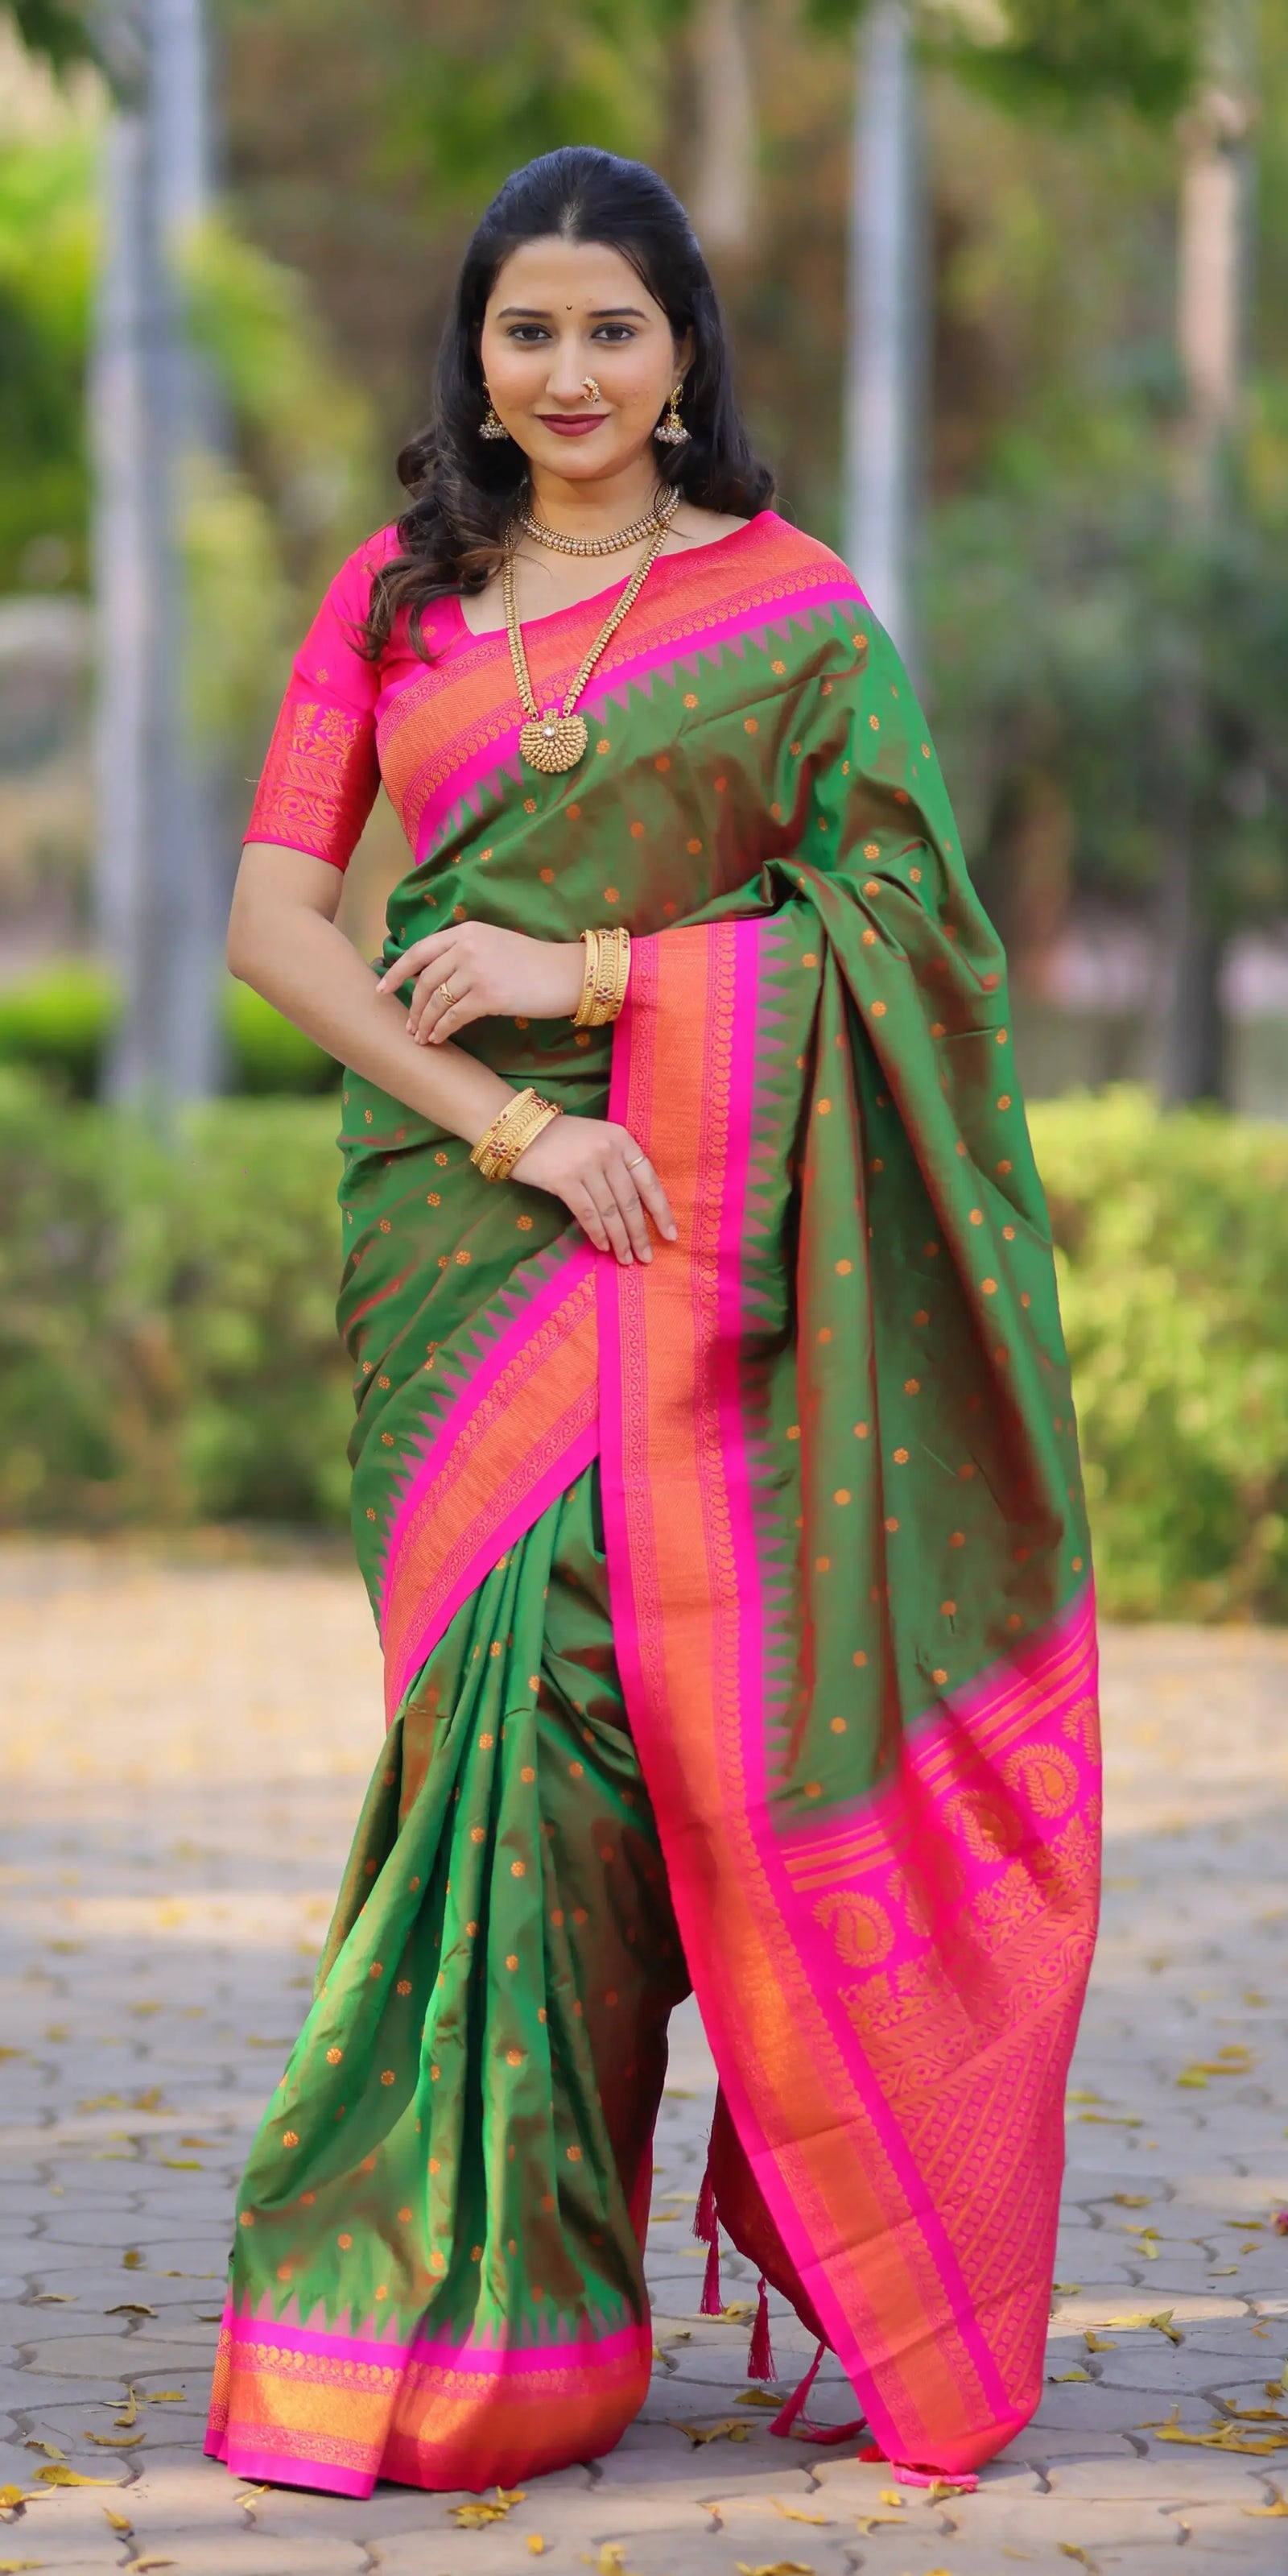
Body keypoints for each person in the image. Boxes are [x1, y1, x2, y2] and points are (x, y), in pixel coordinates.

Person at [205, 144, 1100, 2502]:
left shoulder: (794, 616)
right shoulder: (394, 605)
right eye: (528, 331)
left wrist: (597, 982)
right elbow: (280, 927)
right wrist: (514, 1125)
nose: (573, 373)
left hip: (715, 1207)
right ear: (476, 365)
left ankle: (529, 2289)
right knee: (476, 1733)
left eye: (616, 328)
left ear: (687, 350)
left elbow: (916, 948)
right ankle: (430, 2293)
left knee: (602, 1731)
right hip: (459, 1214)